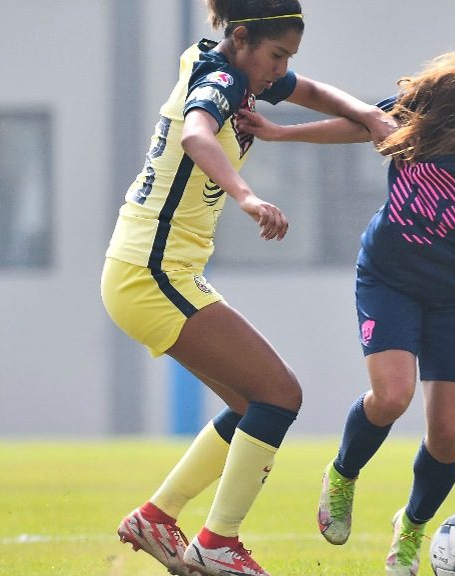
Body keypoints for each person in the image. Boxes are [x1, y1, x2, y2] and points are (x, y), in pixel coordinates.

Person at [238, 13, 455, 575]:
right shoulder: (439, 98)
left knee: (446, 436)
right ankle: (343, 474)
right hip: (389, 275)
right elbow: (366, 125)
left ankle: (411, 527)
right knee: (391, 398)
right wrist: (281, 132)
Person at [100, 1, 394, 575]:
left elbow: (315, 92)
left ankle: (159, 516)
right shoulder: (223, 76)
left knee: (249, 403)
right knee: (280, 395)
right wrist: (248, 196)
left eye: (288, 56)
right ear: (241, 37)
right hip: (150, 271)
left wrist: (370, 114)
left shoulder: (233, 64)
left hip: (155, 270)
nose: (279, 68)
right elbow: (195, 135)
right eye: (276, 54)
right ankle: (217, 543)